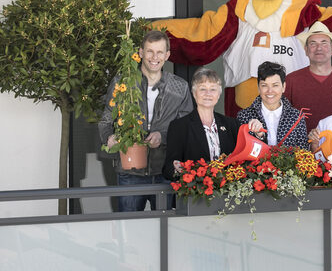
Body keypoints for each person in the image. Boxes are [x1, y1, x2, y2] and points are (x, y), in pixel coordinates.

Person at [98, 30, 193, 212]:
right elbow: (105, 120)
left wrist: (162, 136)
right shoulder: (123, 83)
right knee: (129, 231)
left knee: (167, 233)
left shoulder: (180, 87)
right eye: (149, 51)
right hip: (130, 173)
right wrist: (109, 137)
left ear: (167, 55)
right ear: (140, 53)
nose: (154, 57)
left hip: (166, 171)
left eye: (159, 52)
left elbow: (185, 129)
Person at [163, 68, 239, 180]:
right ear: (194, 93)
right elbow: (168, 169)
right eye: (202, 89)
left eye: (213, 89)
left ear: (218, 94)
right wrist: (175, 168)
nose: (208, 94)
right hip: (196, 196)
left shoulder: (231, 124)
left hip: (227, 194)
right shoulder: (179, 127)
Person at [284, 21, 332, 133]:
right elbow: (278, 117)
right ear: (306, 50)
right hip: (299, 148)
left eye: (324, 43)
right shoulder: (291, 81)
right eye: (313, 43)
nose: (319, 48)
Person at [237, 61, 309, 149]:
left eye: (275, 85)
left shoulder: (297, 117)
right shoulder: (244, 116)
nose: (270, 91)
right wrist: (259, 135)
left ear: (283, 87)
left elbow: (302, 153)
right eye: (264, 85)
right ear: (258, 88)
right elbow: (242, 149)